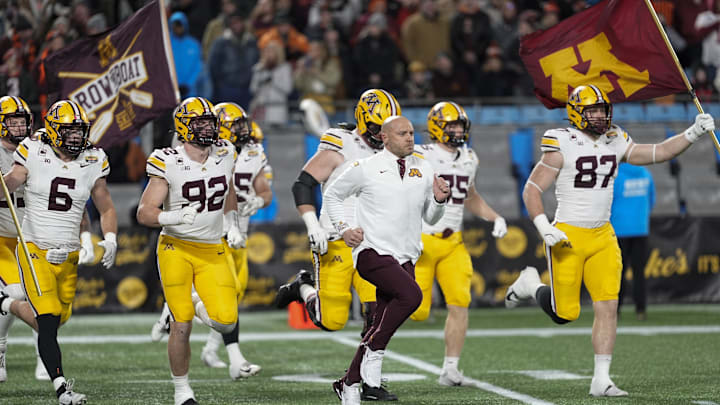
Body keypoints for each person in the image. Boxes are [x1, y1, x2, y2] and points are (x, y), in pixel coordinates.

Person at [505, 84, 715, 397]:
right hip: (568, 235)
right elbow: (532, 189)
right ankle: (529, 284)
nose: (599, 115)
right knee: (565, 314)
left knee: (608, 306)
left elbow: (658, 152)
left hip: (603, 234)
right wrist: (543, 225)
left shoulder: (615, 138)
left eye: (602, 109)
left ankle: (601, 379)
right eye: (592, 110)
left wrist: (692, 134)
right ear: (577, 112)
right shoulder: (561, 140)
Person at [276, 89, 400, 401]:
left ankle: (368, 381)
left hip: (372, 244)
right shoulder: (340, 143)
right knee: (331, 321)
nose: (382, 137)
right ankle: (303, 287)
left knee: (378, 315)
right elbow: (303, 184)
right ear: (363, 121)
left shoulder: (396, 149)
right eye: (376, 129)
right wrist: (312, 225)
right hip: (335, 240)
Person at [324, 115, 450, 405]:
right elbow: (332, 196)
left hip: (406, 254)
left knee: (378, 321)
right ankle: (374, 352)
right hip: (372, 250)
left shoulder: (424, 166)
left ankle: (349, 382)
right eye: (403, 133)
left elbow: (429, 217)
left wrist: (440, 201)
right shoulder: (365, 168)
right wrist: (344, 228)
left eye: (411, 132)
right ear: (385, 137)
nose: (410, 137)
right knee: (411, 296)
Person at [0, 99, 118, 404]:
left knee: (57, 318)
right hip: (33, 247)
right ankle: (62, 387)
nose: (77, 137)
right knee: (49, 318)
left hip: (67, 253)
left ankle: (7, 305)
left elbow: (101, 205)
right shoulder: (33, 151)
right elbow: (11, 182)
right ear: (53, 131)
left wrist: (108, 239)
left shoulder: (93, 159)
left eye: (80, 131)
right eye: (69, 131)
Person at [137, 97, 245, 405]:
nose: (208, 128)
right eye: (199, 122)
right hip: (176, 246)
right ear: (185, 127)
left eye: (210, 121)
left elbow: (229, 190)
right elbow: (145, 212)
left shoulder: (226, 152)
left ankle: (197, 303)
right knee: (181, 323)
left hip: (212, 247)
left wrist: (232, 223)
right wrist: (170, 216)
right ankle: (182, 390)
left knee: (226, 321)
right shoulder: (167, 159)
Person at [410, 101, 507, 386]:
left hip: (453, 242)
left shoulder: (469, 157)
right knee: (417, 311)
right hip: (421, 241)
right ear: (436, 127)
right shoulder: (419, 154)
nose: (456, 131)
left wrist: (494, 217)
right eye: (451, 125)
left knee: (459, 303)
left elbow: (470, 195)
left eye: (459, 126)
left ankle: (451, 368)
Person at [198, 102, 271, 377]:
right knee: (227, 291)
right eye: (237, 124)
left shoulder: (253, 151)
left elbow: (265, 190)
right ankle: (236, 360)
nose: (244, 128)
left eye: (243, 123)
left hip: (240, 232)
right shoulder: (206, 151)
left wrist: (257, 200)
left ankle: (209, 348)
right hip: (213, 233)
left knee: (236, 292)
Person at [610, 163, 655, 321]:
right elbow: (652, 200)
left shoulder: (615, 175)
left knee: (618, 273)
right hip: (641, 229)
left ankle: (616, 310)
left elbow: (608, 203)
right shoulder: (646, 173)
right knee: (639, 273)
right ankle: (641, 310)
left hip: (618, 230)